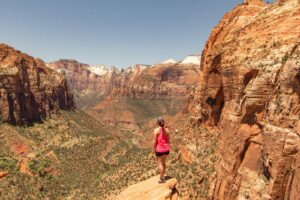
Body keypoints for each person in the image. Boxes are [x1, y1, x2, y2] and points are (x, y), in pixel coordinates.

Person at [153, 117, 170, 183]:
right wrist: (167, 147)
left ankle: (162, 178)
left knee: (160, 163)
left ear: (157, 123)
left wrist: (153, 149)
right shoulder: (167, 130)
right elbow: (168, 141)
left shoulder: (156, 131)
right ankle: (163, 175)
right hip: (166, 149)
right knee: (164, 162)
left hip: (159, 150)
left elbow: (155, 142)